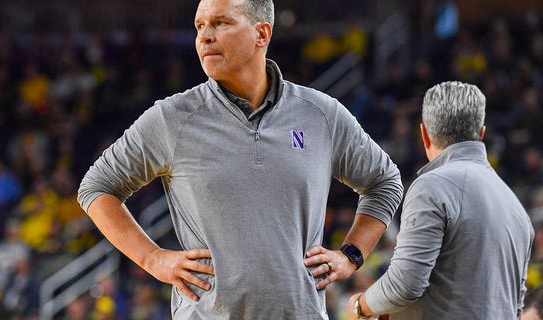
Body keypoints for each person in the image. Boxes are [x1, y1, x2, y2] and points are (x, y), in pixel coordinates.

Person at [77, 0, 403, 318]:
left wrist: (350, 254)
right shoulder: (172, 118)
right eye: (199, 26)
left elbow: (384, 181)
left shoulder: (321, 114)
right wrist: (152, 259)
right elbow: (96, 188)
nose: (204, 36)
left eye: (220, 22)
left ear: (261, 34)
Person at [347, 81, 534, 320]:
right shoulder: (516, 208)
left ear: (424, 134)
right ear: (481, 133)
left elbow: (404, 285)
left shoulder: (432, 186)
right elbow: (515, 308)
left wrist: (360, 305)